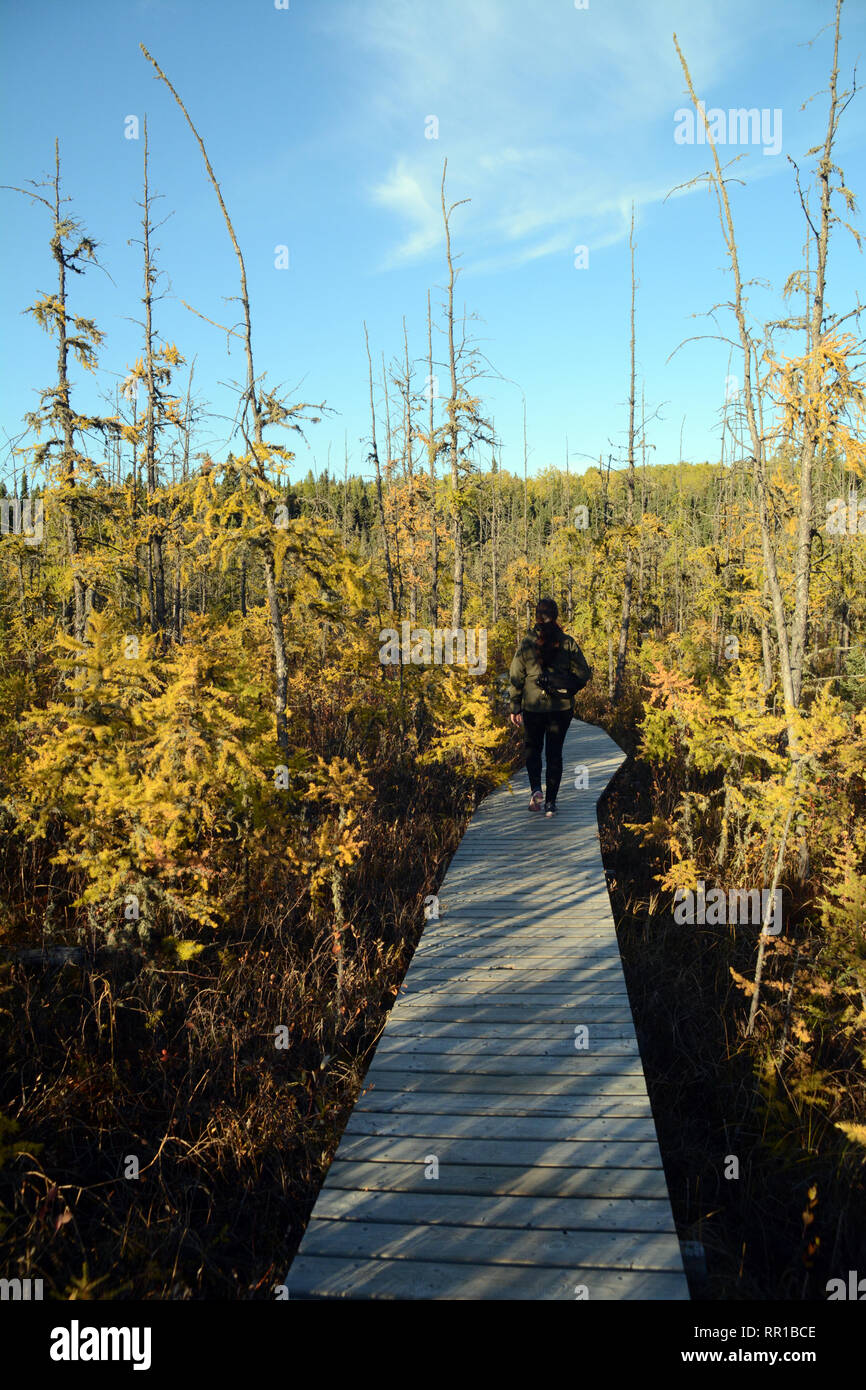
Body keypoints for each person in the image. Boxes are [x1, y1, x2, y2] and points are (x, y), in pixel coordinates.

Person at [507, 598, 592, 817]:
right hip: (561, 709)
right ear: (556, 616)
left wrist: (515, 706)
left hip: (533, 707)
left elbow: (516, 675)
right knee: (555, 754)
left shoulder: (526, 643)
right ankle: (551, 803)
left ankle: (536, 791)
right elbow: (584, 673)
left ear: (536, 616)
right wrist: (570, 688)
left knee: (533, 749)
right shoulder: (567, 642)